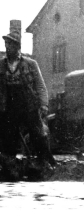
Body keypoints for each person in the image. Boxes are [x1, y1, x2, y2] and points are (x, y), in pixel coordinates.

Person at [0, 30, 56, 169]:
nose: (7, 48)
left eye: (10, 45)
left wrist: (44, 105)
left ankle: (46, 163)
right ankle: (10, 167)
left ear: (17, 47)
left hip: (29, 105)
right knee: (8, 137)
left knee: (38, 134)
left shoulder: (30, 64)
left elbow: (40, 86)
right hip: (9, 106)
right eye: (6, 44)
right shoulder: (1, 65)